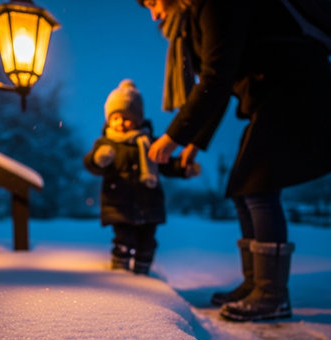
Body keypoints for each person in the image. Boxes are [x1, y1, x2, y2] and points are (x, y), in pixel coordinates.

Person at [137, 0, 331, 320]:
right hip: (272, 94)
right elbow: (219, 83)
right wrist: (194, 144)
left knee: (257, 186)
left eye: (153, 2)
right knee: (243, 187)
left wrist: (174, 137)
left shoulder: (213, 4)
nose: (155, 14)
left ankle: (271, 295)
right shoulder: (198, 14)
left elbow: (216, 78)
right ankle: (256, 284)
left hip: (292, 89)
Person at [84, 79, 199, 275]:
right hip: (119, 204)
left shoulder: (150, 143)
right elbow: (91, 165)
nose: (121, 123)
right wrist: (98, 159)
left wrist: (182, 168)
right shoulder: (105, 144)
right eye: (116, 118)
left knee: (147, 242)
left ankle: (142, 272)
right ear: (108, 120)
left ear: (138, 119)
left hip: (148, 204)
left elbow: (166, 163)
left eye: (127, 118)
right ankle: (120, 273)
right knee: (123, 240)